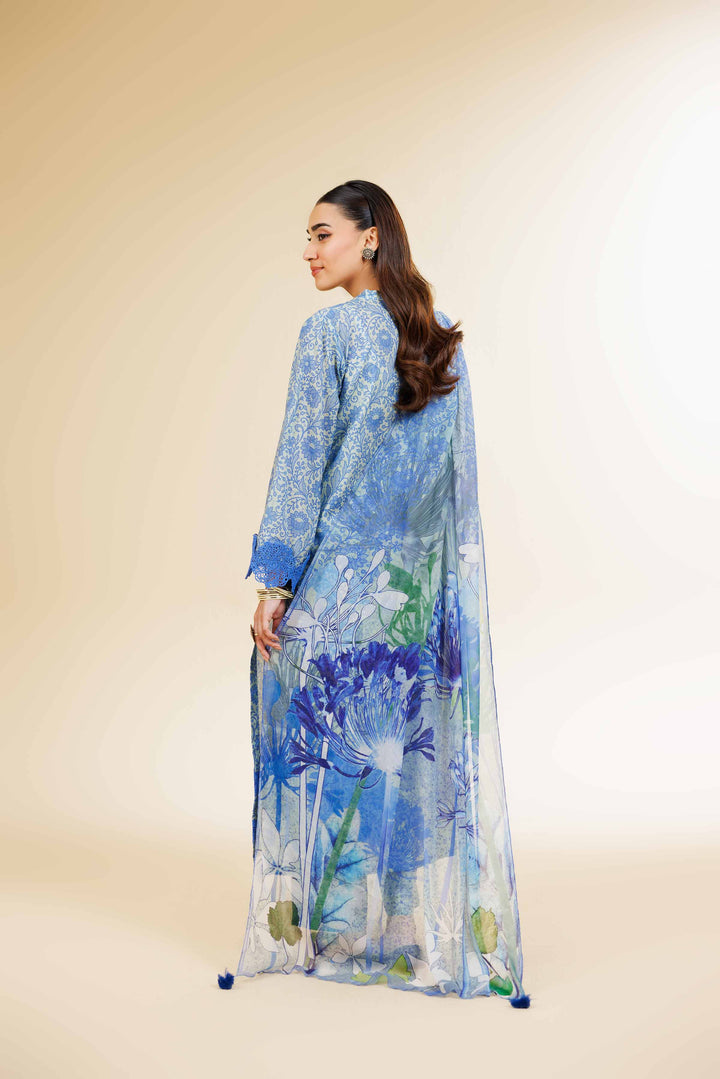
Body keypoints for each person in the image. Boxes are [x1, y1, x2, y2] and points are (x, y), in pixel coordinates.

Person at [218, 180, 531, 1005]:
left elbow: (301, 463)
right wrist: (439, 599)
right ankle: (403, 927)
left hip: (342, 582)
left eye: (322, 233)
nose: (308, 251)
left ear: (369, 237)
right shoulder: (440, 338)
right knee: (403, 749)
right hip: (415, 592)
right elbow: (453, 488)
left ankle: (332, 926)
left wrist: (276, 581)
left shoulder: (326, 334)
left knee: (323, 741)